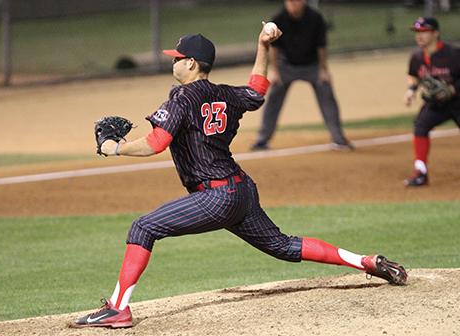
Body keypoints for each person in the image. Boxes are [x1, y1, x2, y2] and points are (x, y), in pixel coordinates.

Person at [73, 24, 406, 329]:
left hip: (215, 197)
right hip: (241, 190)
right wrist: (263, 45)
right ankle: (366, 261)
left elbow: (156, 143)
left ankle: (118, 309)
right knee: (282, 245)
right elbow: (257, 91)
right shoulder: (225, 94)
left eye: (177, 58)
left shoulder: (182, 97)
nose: (173, 63)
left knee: (143, 227)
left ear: (191, 64)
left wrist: (116, 148)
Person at [251, 0, 353, 152]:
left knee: (326, 91)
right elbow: (274, 49)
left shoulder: (315, 18)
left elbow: (321, 46)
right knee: (273, 97)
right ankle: (262, 140)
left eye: (296, 1)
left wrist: (323, 69)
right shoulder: (279, 18)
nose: (292, 4)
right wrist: (276, 72)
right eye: (290, 1)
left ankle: (338, 138)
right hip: (286, 66)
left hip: (312, 66)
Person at [403, 17, 460, 186]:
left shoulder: (454, 54)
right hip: (437, 104)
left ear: (435, 33)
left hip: (458, 102)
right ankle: (420, 172)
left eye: (423, 32)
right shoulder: (416, 57)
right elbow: (413, 75)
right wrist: (411, 90)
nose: (419, 36)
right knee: (421, 126)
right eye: (417, 32)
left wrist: (453, 89)